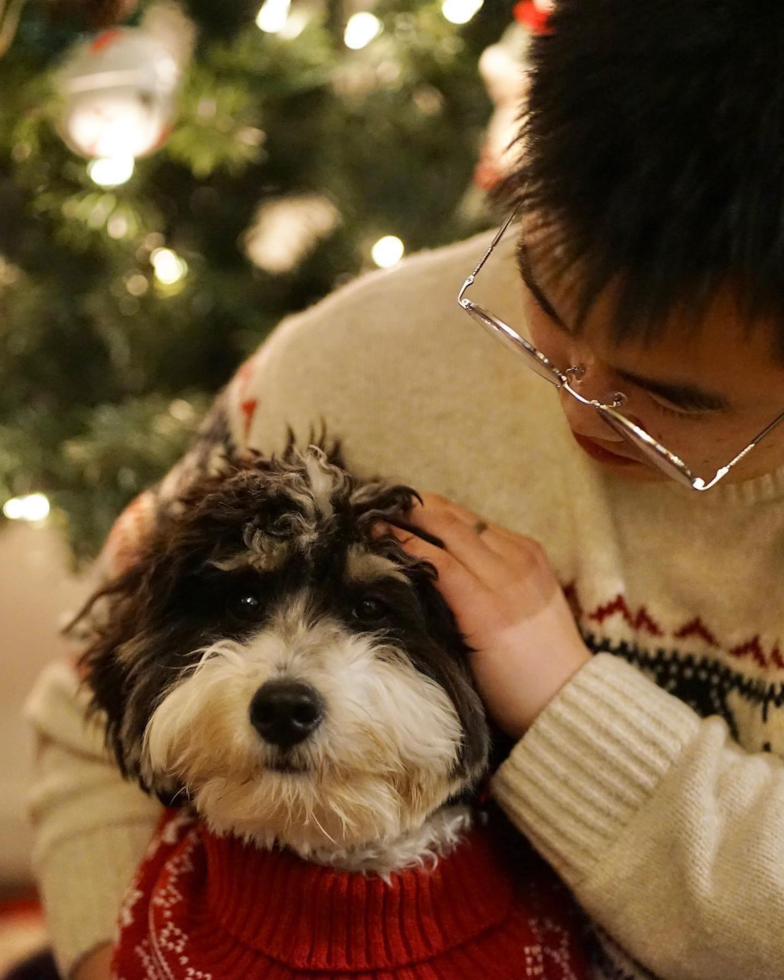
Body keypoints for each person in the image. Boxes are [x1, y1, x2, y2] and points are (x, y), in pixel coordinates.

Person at [23, 1, 784, 978]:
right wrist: (108, 955)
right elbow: (97, 690)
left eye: (667, 398)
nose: (582, 409)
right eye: (542, 310)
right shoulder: (343, 358)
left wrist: (566, 711)